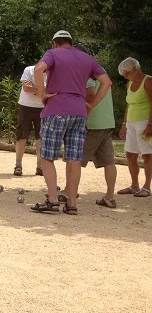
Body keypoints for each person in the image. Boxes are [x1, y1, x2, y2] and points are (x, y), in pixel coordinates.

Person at [30, 31, 112, 215]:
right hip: (79, 113)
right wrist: (91, 105)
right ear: (71, 43)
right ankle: (72, 203)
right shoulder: (87, 58)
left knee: (48, 157)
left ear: (54, 43)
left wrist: (42, 95)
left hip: (56, 110)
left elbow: (37, 69)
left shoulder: (52, 54)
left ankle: (52, 200)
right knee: (74, 158)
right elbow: (106, 82)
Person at [83, 69, 118, 208]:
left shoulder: (86, 73)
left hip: (93, 123)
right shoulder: (102, 72)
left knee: (76, 159)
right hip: (107, 121)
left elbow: (90, 94)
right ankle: (110, 196)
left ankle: (69, 191)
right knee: (108, 161)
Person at [117, 57, 152, 198]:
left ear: (135, 69)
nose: (126, 77)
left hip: (144, 121)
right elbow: (128, 104)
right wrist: (124, 124)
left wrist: (150, 124)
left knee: (147, 155)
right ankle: (134, 185)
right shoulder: (130, 84)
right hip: (131, 121)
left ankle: (147, 186)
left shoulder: (148, 81)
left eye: (127, 73)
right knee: (130, 154)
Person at [14, 64, 45, 176]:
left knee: (41, 138)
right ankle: (18, 165)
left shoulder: (53, 73)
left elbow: (54, 90)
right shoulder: (29, 70)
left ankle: (40, 166)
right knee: (21, 136)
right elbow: (26, 88)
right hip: (25, 106)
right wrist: (43, 90)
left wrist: (35, 89)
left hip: (43, 107)